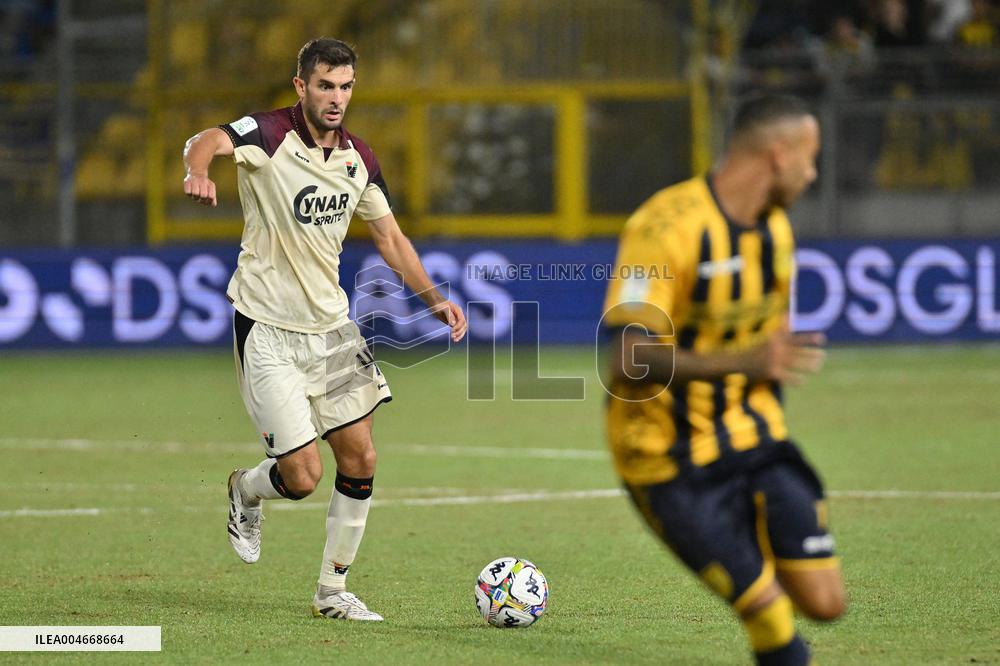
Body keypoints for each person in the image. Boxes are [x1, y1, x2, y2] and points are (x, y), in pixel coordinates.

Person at [182, 37, 467, 622]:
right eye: (325, 86)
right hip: (267, 329)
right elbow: (205, 139)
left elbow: (390, 238)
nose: (337, 98)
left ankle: (332, 593)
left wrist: (434, 298)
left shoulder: (358, 158)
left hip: (332, 330)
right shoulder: (268, 135)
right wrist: (198, 169)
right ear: (301, 87)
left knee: (360, 457)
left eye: (346, 87)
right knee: (304, 476)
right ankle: (245, 489)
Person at [602, 94, 845, 665]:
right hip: (668, 458)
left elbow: (768, 347)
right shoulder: (664, 228)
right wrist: (746, 362)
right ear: (779, 156)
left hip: (754, 438)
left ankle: (746, 545)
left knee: (825, 601)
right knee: (770, 615)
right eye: (810, 160)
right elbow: (627, 359)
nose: (812, 175)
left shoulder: (777, 234)